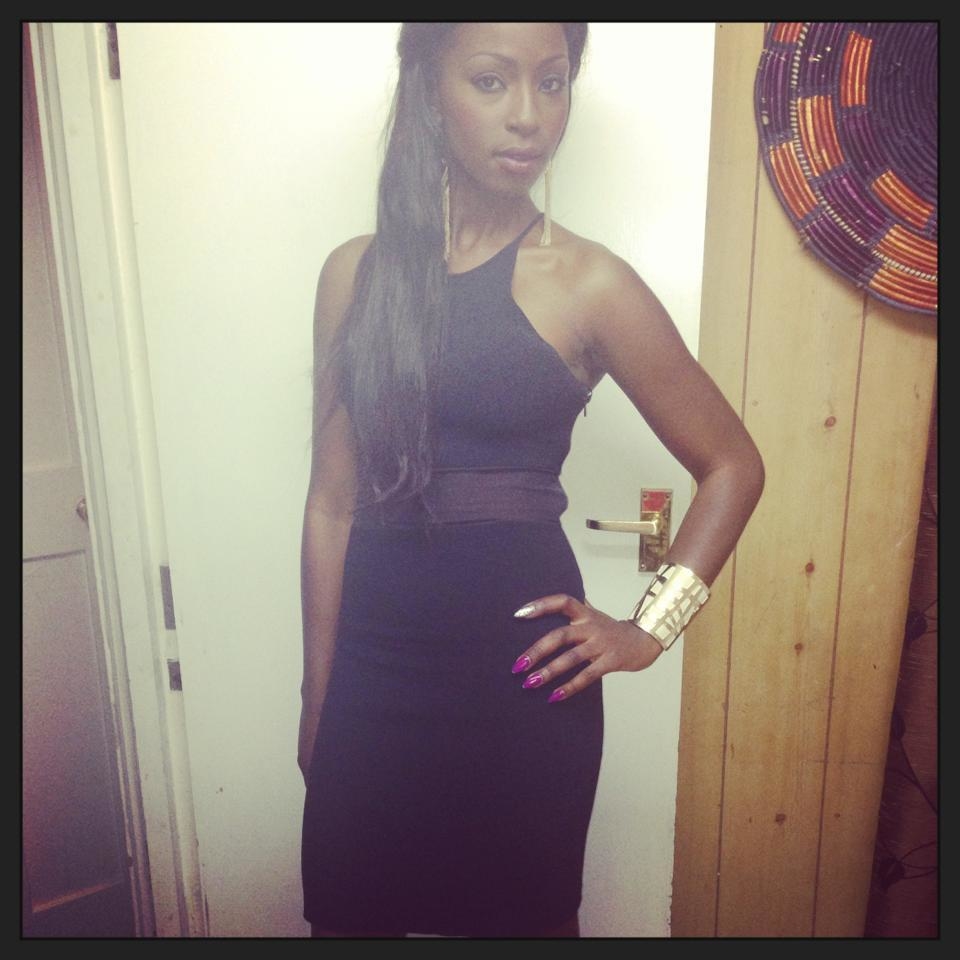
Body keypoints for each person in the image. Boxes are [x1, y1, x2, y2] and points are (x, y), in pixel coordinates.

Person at [299, 22, 764, 939]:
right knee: (349, 918)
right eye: (491, 80)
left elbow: (733, 465)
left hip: (522, 689)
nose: (529, 116)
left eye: (552, 82)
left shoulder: (589, 283)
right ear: (429, 86)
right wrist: (320, 695)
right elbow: (331, 503)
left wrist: (648, 631)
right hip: (372, 677)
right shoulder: (355, 274)